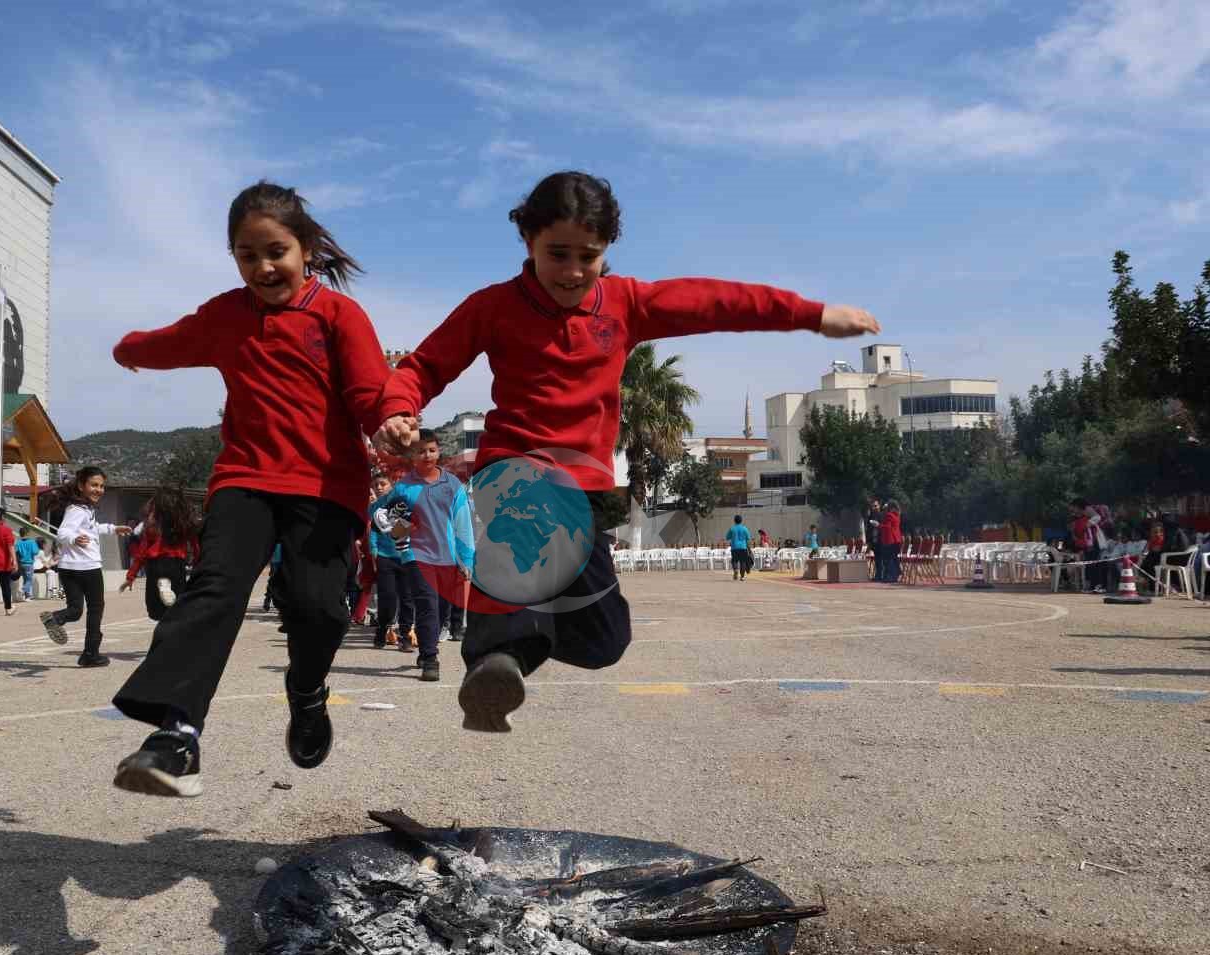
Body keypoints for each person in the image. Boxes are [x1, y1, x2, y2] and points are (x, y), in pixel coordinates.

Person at [373, 170, 880, 731]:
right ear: (529, 241)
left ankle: (520, 645)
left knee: (605, 642)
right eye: (557, 254)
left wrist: (811, 314)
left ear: (606, 250)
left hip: (585, 490)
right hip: (514, 476)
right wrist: (398, 408)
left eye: (587, 256)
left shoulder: (626, 304)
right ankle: (496, 661)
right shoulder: (493, 307)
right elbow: (424, 366)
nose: (572, 271)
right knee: (521, 562)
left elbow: (717, 302)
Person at [108, 181, 392, 796]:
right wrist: (128, 348)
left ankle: (307, 691)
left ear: (306, 249)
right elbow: (173, 340)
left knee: (319, 607)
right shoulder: (226, 316)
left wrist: (390, 420)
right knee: (215, 587)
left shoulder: (339, 316)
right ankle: (176, 735)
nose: (263, 267)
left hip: (325, 485)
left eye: (276, 251)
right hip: (246, 477)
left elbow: (370, 390)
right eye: (247, 255)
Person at [377, 431, 475, 682]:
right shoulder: (403, 487)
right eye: (421, 451)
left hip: (447, 557)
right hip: (416, 556)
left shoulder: (453, 485)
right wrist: (403, 528)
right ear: (412, 455)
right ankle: (430, 658)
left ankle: (426, 645)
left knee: (440, 609)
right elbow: (385, 521)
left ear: (438, 451)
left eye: (431, 450)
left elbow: (463, 524)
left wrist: (466, 560)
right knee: (426, 605)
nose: (427, 455)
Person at [41, 467, 119, 665]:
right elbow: (63, 532)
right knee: (95, 609)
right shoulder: (78, 509)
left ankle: (56, 618)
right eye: (94, 485)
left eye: (101, 486)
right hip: (88, 567)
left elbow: (92, 529)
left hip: (68, 568)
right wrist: (74, 539)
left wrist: (113, 529)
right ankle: (90, 654)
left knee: (75, 610)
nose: (98, 490)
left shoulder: (83, 509)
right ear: (81, 486)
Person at [120, 487, 199, 621]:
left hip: (155, 566)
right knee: (176, 608)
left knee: (155, 610)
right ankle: (166, 589)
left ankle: (164, 587)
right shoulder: (184, 525)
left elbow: (141, 553)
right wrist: (197, 564)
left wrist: (130, 576)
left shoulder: (152, 526)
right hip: (176, 566)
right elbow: (196, 547)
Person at [370, 470, 417, 651]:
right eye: (376, 485)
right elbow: (373, 530)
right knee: (387, 597)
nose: (379, 488)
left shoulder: (408, 503)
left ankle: (405, 636)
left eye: (383, 484)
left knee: (407, 598)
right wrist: (374, 549)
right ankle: (382, 629)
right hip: (385, 557)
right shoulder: (377, 508)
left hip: (407, 557)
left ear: (392, 486)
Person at [878, 502, 903, 582]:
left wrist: (878, 525)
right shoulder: (897, 515)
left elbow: (887, 527)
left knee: (888, 559)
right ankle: (895, 575)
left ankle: (891, 576)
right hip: (897, 540)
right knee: (893, 558)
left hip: (889, 540)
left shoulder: (889, 515)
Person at [727, 514, 752, 580]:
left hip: (734, 547)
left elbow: (727, 537)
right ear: (741, 521)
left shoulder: (732, 528)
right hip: (743, 547)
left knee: (734, 561)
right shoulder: (744, 528)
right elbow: (748, 538)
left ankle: (735, 570)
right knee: (743, 562)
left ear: (734, 521)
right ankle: (742, 576)